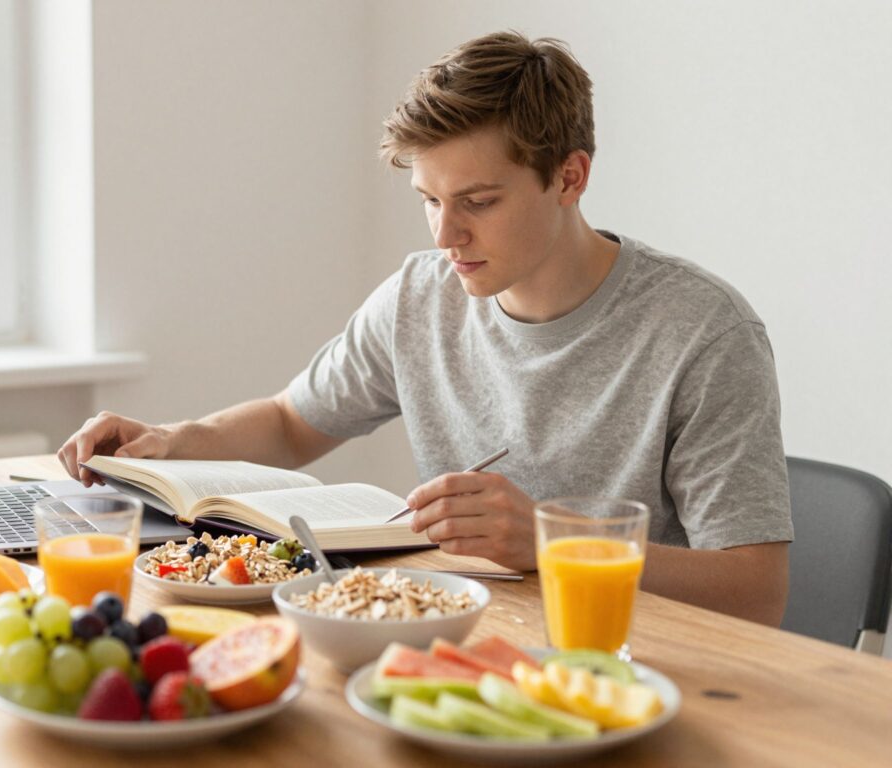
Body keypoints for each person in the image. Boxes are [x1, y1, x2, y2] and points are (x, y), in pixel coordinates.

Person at [59, 31, 793, 626]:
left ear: (570, 178)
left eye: (477, 200)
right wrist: (166, 442)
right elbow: (290, 424)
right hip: (461, 636)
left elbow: (757, 590)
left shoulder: (704, 332)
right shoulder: (421, 296)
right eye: (428, 199)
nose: (447, 235)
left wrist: (549, 539)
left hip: (636, 664)